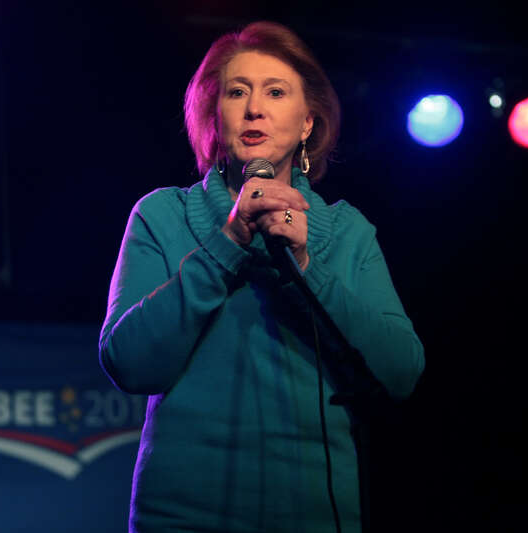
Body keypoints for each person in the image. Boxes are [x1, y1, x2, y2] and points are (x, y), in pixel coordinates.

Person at [99, 21, 425, 533]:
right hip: (183, 517)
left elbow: (402, 372)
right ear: (216, 116)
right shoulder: (162, 216)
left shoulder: (346, 232)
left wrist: (306, 268)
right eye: (236, 92)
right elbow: (130, 363)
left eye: (276, 92)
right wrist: (227, 246)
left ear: (307, 125)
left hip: (313, 517)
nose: (255, 108)